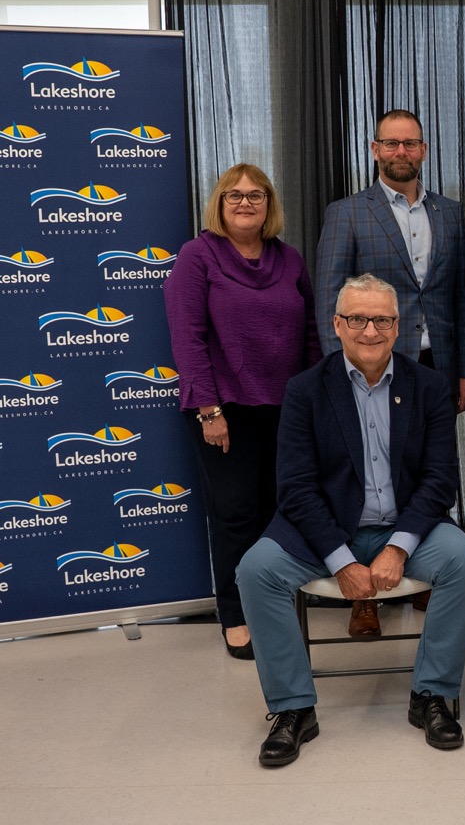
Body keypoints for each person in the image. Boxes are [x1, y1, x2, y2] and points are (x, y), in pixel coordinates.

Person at [236, 274, 465, 767]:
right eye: (357, 319)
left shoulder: (429, 387)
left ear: (399, 325)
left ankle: (431, 694)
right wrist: (342, 561)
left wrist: (398, 547)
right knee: (255, 570)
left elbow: (439, 481)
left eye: (382, 320)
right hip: (326, 530)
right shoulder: (305, 390)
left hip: (405, 527)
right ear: (337, 325)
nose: (370, 330)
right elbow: (296, 489)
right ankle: (293, 707)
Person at [315, 108, 465, 637]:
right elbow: (330, 299)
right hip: (369, 361)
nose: (401, 152)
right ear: (374, 150)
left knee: (424, 470)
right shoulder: (347, 213)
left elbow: (462, 295)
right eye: (391, 143)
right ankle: (363, 596)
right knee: (367, 469)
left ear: (424, 150)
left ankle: (425, 572)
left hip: (435, 366)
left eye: (410, 144)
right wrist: (338, 372)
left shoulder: (450, 213)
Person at [164, 163, 321, 661]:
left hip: (286, 409)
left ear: (269, 204)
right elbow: (187, 338)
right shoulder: (198, 257)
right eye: (234, 195)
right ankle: (235, 616)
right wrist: (208, 409)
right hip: (223, 409)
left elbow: (312, 335)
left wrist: (315, 402)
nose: (245, 203)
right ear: (220, 203)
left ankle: (273, 609)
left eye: (256, 195)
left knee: (280, 513)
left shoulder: (289, 259)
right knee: (235, 515)